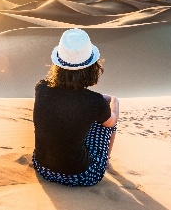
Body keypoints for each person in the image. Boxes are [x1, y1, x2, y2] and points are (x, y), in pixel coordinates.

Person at [32, 28, 119, 186]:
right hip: (80, 176)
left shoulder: (41, 87)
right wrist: (114, 102)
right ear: (92, 68)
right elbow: (111, 121)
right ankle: (105, 162)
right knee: (108, 123)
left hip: (41, 167)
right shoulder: (94, 102)